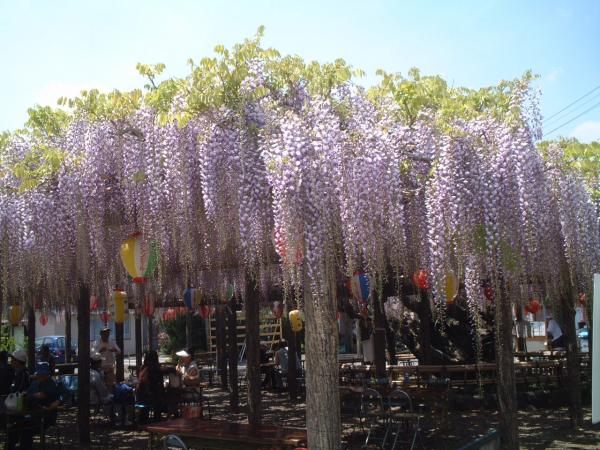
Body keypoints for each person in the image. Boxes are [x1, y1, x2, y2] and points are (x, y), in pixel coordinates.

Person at [6, 362, 60, 450]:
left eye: (41, 375)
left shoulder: (51, 384)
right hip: (33, 416)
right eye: (39, 375)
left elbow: (41, 395)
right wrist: (25, 394)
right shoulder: (36, 382)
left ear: (46, 374)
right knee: (13, 429)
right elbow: (27, 392)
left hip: (46, 417)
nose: (39, 377)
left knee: (26, 431)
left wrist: (28, 396)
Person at [137, 350, 175, 421]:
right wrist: (174, 369)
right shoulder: (156, 367)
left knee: (147, 405)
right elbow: (166, 370)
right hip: (154, 394)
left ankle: (143, 420)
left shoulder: (143, 367)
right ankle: (157, 418)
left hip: (142, 394)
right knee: (161, 397)